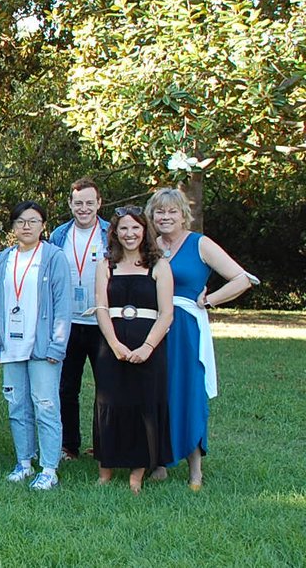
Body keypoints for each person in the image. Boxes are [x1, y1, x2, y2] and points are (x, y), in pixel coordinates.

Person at [146, 187, 252, 490]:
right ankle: (159, 462)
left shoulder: (199, 244)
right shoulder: (150, 246)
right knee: (158, 391)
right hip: (154, 326)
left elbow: (242, 278)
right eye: (159, 212)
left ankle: (195, 470)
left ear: (183, 215)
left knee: (187, 391)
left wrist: (211, 300)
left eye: (172, 211)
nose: (165, 217)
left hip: (185, 329)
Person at [0, 202, 73, 491]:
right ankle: (24, 462)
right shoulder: (3, 260)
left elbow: (63, 305)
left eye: (33, 221)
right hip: (12, 345)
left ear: (43, 226)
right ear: (12, 227)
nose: (26, 226)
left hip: (42, 347)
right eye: (21, 221)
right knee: (16, 405)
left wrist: (57, 345)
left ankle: (49, 468)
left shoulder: (53, 257)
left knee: (46, 406)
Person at [92, 206, 174, 493]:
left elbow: (166, 314)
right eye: (124, 228)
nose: (130, 234)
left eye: (135, 228)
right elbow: (101, 307)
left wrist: (147, 347)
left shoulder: (159, 265)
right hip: (111, 343)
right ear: (114, 232)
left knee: (143, 404)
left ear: (145, 231)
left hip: (148, 344)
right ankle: (105, 470)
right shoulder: (105, 265)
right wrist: (114, 344)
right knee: (109, 403)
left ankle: (137, 473)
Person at [48, 177, 109, 460]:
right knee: (66, 387)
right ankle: (68, 445)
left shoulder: (110, 233)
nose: (83, 208)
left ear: (99, 203)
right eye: (78, 203)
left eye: (89, 202)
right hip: (67, 322)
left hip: (102, 322)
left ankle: (104, 445)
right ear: (70, 204)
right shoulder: (59, 235)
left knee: (106, 387)